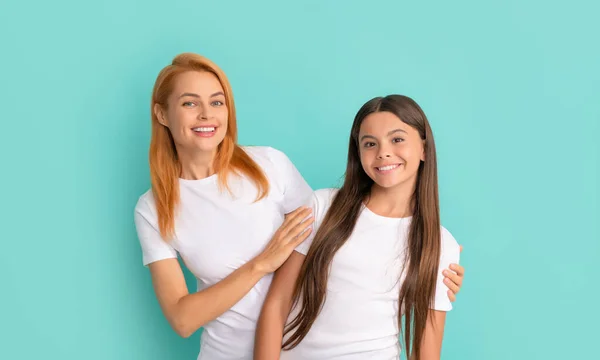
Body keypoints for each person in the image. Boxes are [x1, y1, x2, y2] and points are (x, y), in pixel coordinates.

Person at [133, 53, 464, 360]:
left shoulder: (269, 166)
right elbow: (182, 318)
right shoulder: (153, 208)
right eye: (190, 103)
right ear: (162, 113)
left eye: (216, 102)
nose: (206, 114)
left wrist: (430, 268)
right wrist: (261, 264)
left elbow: (346, 256)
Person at [255, 95, 462, 360]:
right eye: (370, 144)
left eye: (397, 139)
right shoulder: (322, 206)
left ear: (423, 148)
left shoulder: (440, 244)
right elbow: (277, 304)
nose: (383, 152)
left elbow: (426, 352)